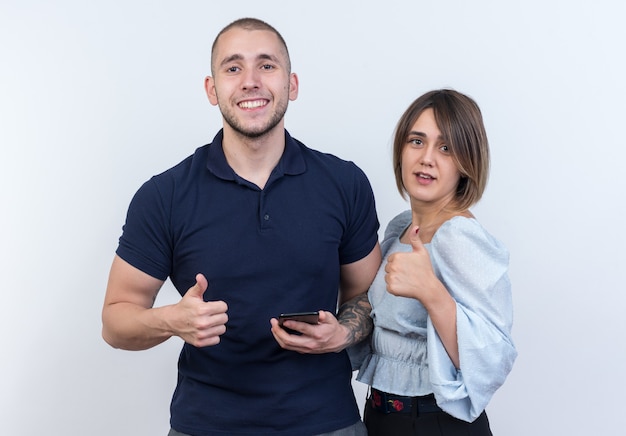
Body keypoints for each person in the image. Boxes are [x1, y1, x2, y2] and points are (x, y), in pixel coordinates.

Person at [102, 17, 381, 436]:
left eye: (266, 65)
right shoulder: (165, 195)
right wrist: (171, 320)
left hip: (327, 422)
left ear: (292, 84)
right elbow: (114, 321)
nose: (251, 81)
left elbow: (366, 293)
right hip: (207, 425)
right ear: (212, 90)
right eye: (233, 68)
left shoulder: (344, 183)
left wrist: (343, 334)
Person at [350, 89, 517, 435]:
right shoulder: (401, 228)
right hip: (382, 416)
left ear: (466, 163)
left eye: (446, 148)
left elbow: (493, 358)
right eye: (416, 141)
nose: (427, 158)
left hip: (435, 423)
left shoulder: (459, 236)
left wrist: (432, 293)